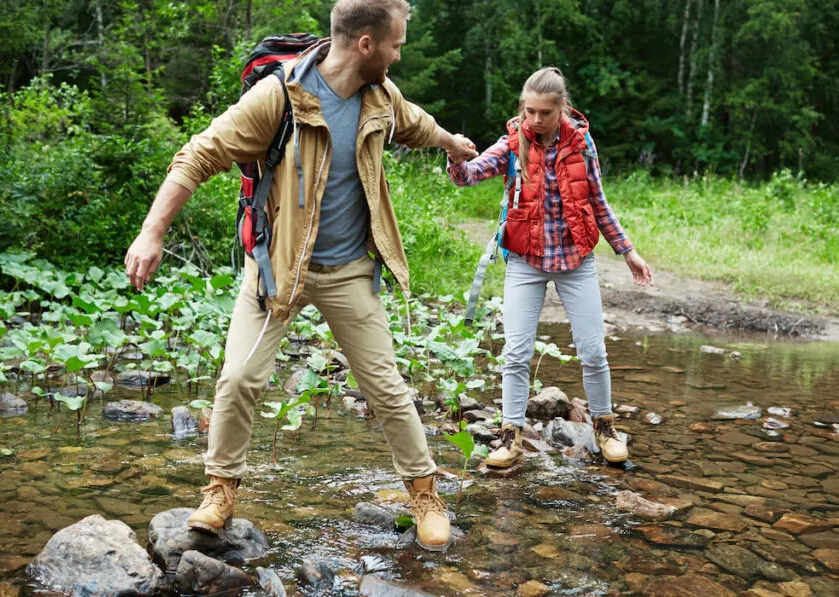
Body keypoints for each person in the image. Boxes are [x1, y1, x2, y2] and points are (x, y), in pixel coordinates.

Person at [123, 0, 478, 551]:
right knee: (239, 378)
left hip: (350, 271)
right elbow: (197, 155)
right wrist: (152, 231)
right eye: (397, 45)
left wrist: (452, 143)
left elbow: (416, 125)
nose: (399, 55)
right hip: (280, 269)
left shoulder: (381, 97)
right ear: (366, 45)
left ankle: (425, 491)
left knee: (386, 387)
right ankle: (220, 489)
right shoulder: (279, 98)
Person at [447, 67, 653, 469]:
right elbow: (469, 175)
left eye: (544, 112)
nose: (535, 121)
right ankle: (510, 437)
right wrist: (455, 155)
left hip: (576, 261)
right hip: (526, 262)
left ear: (563, 109)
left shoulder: (582, 144)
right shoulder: (513, 142)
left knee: (593, 351)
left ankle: (605, 427)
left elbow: (599, 201)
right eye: (529, 112)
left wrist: (627, 250)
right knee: (516, 353)